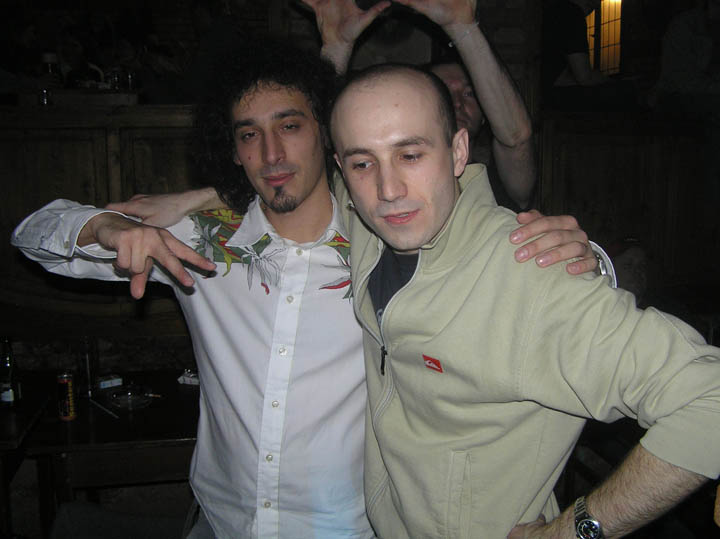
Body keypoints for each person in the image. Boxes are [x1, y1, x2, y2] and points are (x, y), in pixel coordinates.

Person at [13, 38, 601, 537]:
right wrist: (104, 226)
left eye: (290, 126)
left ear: (326, 135)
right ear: (232, 149)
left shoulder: (387, 244)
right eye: (249, 134)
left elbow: (490, 259)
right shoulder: (198, 241)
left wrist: (587, 260)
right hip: (221, 523)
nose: (271, 154)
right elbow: (33, 234)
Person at [329, 62, 720, 538]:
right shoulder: (366, 228)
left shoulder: (531, 275)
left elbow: (710, 401)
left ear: (458, 152)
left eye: (410, 154)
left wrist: (576, 530)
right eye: (363, 163)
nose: (387, 191)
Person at [302, 0, 535, 212]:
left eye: (469, 93)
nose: (457, 103)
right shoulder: (371, 184)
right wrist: (337, 46)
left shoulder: (497, 181)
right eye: (445, 92)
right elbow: (316, 149)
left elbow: (516, 138)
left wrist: (464, 28)